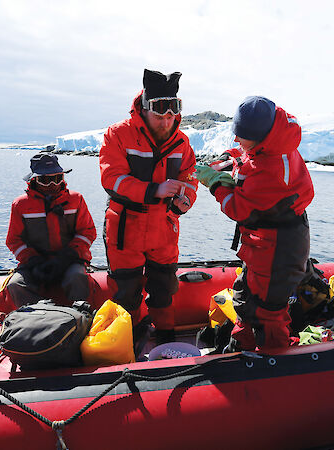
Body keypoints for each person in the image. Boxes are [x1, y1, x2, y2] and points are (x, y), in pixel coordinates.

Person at [194, 96, 314, 353]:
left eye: (241, 136)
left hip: (278, 249)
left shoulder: (270, 171)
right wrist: (227, 159)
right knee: (247, 298)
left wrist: (215, 182)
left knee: (267, 311)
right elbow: (248, 155)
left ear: (260, 137)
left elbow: (239, 209)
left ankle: (273, 360)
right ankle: (241, 347)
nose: (236, 140)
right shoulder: (275, 145)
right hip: (266, 244)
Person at [99, 69, 198, 346]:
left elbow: (189, 179)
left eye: (171, 115)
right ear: (144, 108)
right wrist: (154, 190)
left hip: (164, 228)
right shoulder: (117, 134)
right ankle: (126, 348)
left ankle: (166, 340)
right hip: (125, 229)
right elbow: (111, 178)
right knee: (126, 293)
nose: (166, 122)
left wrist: (184, 202)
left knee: (164, 289)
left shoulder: (182, 142)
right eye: (159, 115)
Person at [6, 153, 97, 306]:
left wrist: (68, 255)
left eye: (57, 178)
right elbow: (14, 240)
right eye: (45, 180)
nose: (52, 185)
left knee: (77, 278)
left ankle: (81, 319)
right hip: (35, 264)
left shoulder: (76, 199)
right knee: (15, 284)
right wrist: (33, 261)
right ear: (34, 180)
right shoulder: (20, 205)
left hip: (71, 260)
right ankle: (35, 320)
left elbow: (87, 232)